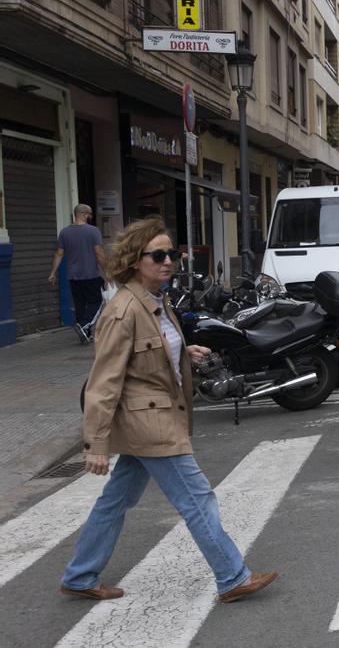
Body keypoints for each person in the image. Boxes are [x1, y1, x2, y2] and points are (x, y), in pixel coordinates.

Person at [60, 218, 278, 603]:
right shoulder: (123, 311)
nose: (168, 261)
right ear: (134, 260)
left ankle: (80, 575)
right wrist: (94, 444)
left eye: (171, 254)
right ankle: (232, 576)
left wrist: (183, 355)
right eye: (157, 255)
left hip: (154, 416)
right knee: (198, 498)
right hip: (152, 423)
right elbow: (103, 381)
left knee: (116, 500)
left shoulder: (154, 302)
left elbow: (150, 355)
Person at [49, 204, 107, 343]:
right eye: (90, 214)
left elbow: (59, 253)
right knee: (97, 301)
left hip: (73, 276)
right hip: (91, 274)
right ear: (84, 213)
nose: (91, 217)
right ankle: (83, 324)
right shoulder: (93, 231)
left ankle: (85, 334)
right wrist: (107, 270)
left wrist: (53, 273)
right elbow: (98, 252)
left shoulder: (64, 232)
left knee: (80, 303)